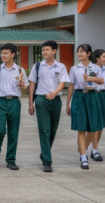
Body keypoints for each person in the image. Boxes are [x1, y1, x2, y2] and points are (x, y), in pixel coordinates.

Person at [28, 40, 71, 173]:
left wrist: (55, 92)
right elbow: (32, 84)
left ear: (54, 51)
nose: (44, 52)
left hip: (56, 100)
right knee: (44, 131)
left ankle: (44, 153)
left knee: (52, 131)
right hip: (41, 100)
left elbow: (62, 83)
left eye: (47, 50)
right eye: (43, 50)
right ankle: (47, 161)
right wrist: (31, 103)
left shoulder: (61, 66)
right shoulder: (37, 66)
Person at [0, 43, 29, 171]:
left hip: (14, 102)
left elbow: (25, 88)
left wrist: (22, 85)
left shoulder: (20, 70)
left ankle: (11, 160)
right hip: (0, 102)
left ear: (13, 54)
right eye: (2, 53)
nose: (3, 55)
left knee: (13, 132)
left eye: (6, 53)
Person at [66, 44, 105, 170]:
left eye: (82, 52)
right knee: (81, 129)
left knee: (93, 129)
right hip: (79, 97)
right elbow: (71, 85)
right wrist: (68, 103)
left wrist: (90, 78)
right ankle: (83, 157)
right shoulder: (74, 68)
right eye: (78, 52)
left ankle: (84, 147)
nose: (79, 54)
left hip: (93, 96)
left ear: (89, 53)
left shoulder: (96, 67)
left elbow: (101, 81)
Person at [89, 49, 105, 161]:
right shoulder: (90, 68)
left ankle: (93, 149)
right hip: (93, 95)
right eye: (104, 56)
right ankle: (94, 150)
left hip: (104, 96)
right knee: (95, 125)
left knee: (101, 126)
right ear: (97, 58)